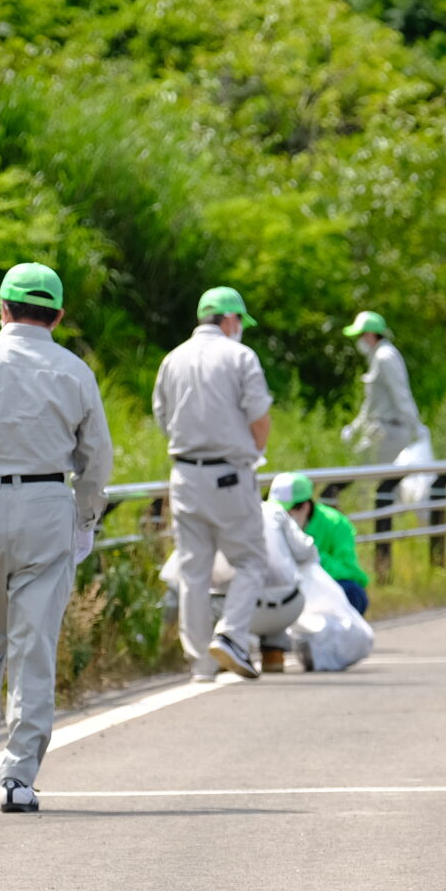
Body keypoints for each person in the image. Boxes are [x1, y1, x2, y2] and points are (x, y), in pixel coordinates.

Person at [0, 262, 115, 814]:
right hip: (46, 505)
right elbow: (96, 460)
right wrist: (85, 519)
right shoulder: (75, 372)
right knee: (33, 647)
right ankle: (20, 777)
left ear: (2, 309)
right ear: (58, 316)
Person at [151, 286, 275, 681]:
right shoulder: (240, 357)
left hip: (184, 475)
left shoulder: (172, 359)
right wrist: (254, 451)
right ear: (230, 319)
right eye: (240, 321)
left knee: (194, 572)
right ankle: (232, 635)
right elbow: (259, 417)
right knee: (251, 561)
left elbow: (162, 417)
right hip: (229, 474)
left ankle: (200, 664)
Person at [269, 469, 373, 615]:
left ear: (305, 506)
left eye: (287, 511)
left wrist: (310, 558)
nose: (282, 516)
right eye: (277, 510)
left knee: (353, 592)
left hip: (325, 588)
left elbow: (349, 570)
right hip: (283, 590)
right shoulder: (268, 522)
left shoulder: (336, 524)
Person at [339, 311, 422, 465]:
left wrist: (416, 426)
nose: (359, 340)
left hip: (389, 431)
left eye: (360, 335)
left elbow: (401, 395)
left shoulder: (385, 357)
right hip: (382, 430)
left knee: (357, 471)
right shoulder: (378, 356)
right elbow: (371, 403)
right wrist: (355, 427)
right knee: (381, 480)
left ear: (370, 335)